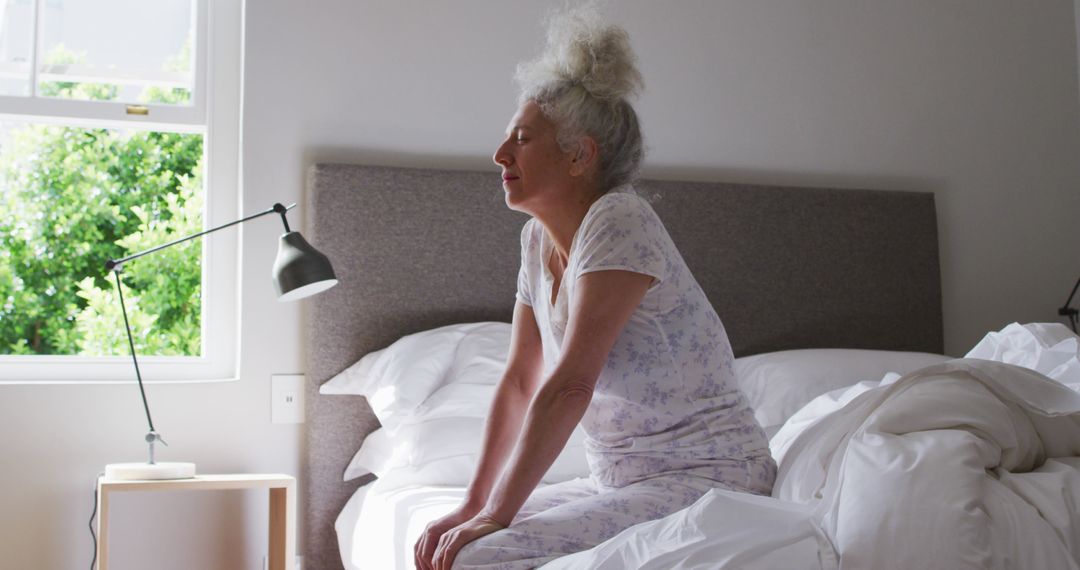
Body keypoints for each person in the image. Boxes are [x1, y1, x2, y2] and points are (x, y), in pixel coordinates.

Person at [415, 8, 776, 570]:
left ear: (580, 155)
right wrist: (474, 503)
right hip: (621, 481)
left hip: (709, 477)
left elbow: (569, 386)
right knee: (443, 543)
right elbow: (518, 382)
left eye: (522, 139)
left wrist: (496, 517)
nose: (499, 155)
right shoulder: (536, 241)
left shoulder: (618, 221)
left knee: (475, 558)